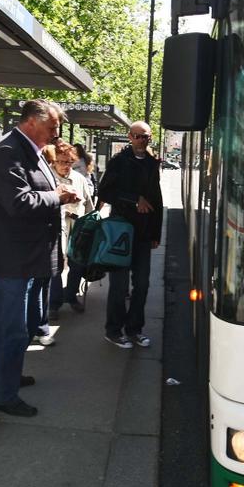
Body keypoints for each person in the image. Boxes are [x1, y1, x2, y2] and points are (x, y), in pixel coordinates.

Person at [0, 99, 78, 417]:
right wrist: (58, 196)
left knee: (20, 327)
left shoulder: (29, 150)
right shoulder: (8, 151)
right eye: (52, 127)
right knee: (12, 329)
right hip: (12, 260)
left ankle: (8, 378)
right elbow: (18, 202)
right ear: (31, 122)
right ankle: (2, 394)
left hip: (28, 257)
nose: (56, 133)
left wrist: (59, 193)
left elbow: (36, 193)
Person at [97, 121, 163, 349]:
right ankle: (113, 330)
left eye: (146, 137)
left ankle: (135, 329)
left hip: (144, 233)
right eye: (139, 136)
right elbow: (104, 191)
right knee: (119, 284)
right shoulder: (118, 162)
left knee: (142, 284)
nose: (142, 141)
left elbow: (157, 199)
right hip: (120, 231)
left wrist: (156, 232)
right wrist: (134, 199)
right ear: (130, 137)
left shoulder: (152, 164)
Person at [48, 142, 95, 320]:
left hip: (78, 228)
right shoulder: (48, 177)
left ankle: (71, 296)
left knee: (77, 264)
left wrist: (91, 226)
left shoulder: (79, 178)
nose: (65, 166)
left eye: (69, 162)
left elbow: (89, 206)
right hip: (56, 226)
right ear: (54, 161)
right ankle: (54, 303)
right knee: (56, 266)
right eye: (61, 161)